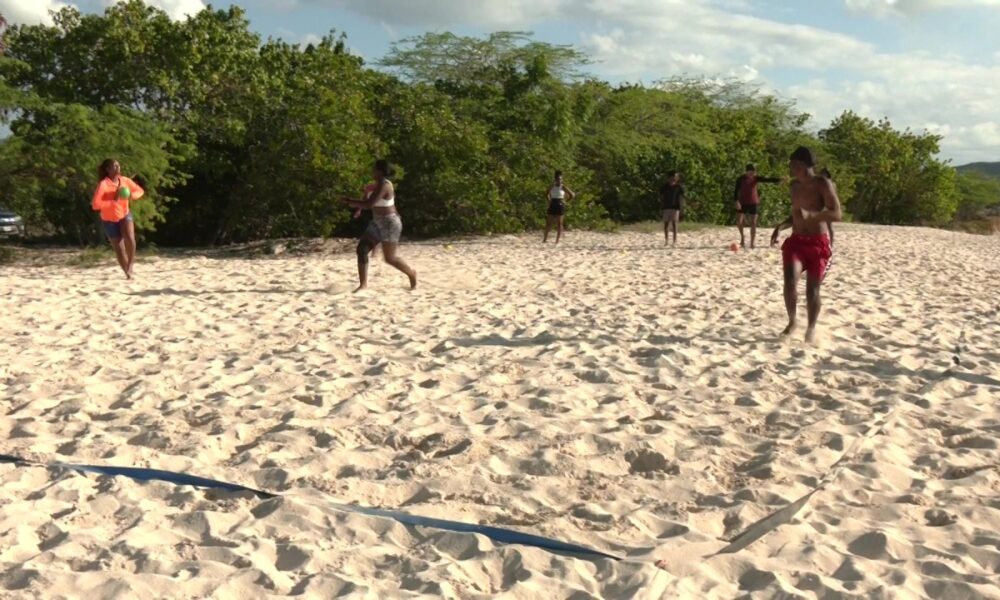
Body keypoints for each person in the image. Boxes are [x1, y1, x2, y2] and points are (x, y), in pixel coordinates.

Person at [779, 147, 842, 343]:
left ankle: (811, 328)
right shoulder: (794, 187)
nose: (790, 168)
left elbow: (837, 214)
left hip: (817, 244)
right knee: (790, 282)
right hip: (796, 242)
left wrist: (814, 216)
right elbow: (797, 214)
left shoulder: (822, 183)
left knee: (812, 289)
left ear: (801, 165)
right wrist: (782, 225)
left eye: (792, 164)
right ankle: (792, 321)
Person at [342, 159, 417, 292]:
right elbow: (365, 202)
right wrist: (357, 205)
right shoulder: (373, 185)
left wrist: (349, 201)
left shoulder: (385, 185)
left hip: (390, 223)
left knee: (390, 259)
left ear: (380, 171)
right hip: (377, 222)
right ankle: (363, 285)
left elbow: (369, 204)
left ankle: (411, 273)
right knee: (362, 249)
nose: (372, 171)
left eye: (374, 169)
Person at [91, 159, 144, 279]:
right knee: (119, 249)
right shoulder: (103, 184)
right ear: (108, 170)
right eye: (114, 166)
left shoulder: (124, 181)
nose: (117, 168)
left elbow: (140, 191)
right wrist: (112, 202)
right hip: (109, 219)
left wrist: (131, 195)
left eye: (118, 166)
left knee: (130, 237)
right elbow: (95, 204)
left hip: (124, 214)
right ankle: (127, 273)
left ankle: (130, 265)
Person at [771, 167, 835, 252]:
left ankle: (830, 244)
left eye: (823, 175)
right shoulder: (814, 184)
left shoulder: (830, 185)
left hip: (824, 210)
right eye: (821, 174)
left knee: (829, 227)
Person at [734, 163, 783, 249]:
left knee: (753, 223)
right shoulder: (740, 179)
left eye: (754, 172)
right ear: (747, 171)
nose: (753, 173)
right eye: (751, 172)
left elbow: (767, 180)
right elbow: (736, 191)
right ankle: (742, 238)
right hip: (742, 202)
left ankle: (752, 243)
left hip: (753, 202)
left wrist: (779, 180)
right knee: (739, 221)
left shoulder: (756, 178)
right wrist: (736, 201)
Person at [543, 171, 575, 244]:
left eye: (560, 179)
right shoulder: (552, 186)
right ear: (555, 179)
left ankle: (557, 240)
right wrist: (549, 201)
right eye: (558, 179)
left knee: (559, 223)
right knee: (548, 222)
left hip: (560, 203)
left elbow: (572, 195)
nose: (559, 181)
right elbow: (546, 194)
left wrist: (566, 201)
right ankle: (545, 239)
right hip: (553, 203)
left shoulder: (563, 187)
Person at [660, 171, 685, 246]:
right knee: (666, 224)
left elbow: (682, 197)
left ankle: (674, 241)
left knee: (674, 224)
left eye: (676, 177)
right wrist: (661, 207)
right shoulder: (664, 187)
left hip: (675, 207)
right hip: (666, 207)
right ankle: (666, 240)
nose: (674, 178)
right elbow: (661, 197)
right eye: (673, 177)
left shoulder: (679, 187)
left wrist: (682, 208)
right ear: (669, 177)